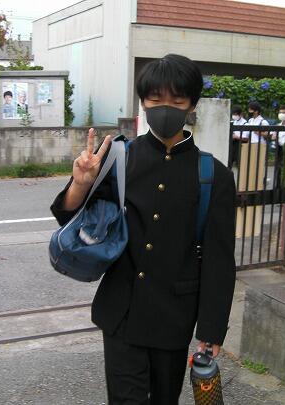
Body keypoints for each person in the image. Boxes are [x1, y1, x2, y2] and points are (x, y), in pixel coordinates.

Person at [50, 54, 236, 404]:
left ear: (192, 104)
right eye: (155, 99)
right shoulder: (118, 157)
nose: (165, 108)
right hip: (121, 313)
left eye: (177, 100)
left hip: (174, 319)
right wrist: (80, 183)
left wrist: (211, 329)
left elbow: (219, 261)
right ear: (143, 102)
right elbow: (68, 218)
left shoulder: (215, 176)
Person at [270, 105, 285, 188]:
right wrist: (274, 137)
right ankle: (277, 188)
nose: (281, 114)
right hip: (278, 149)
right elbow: (272, 137)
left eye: (284, 113)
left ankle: (284, 188)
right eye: (280, 112)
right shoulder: (278, 125)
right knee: (278, 169)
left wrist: (277, 138)